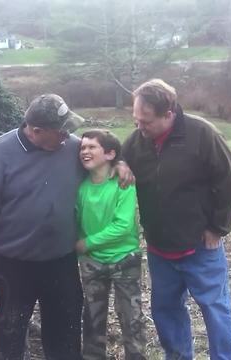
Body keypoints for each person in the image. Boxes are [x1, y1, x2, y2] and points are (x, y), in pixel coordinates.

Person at [0, 94, 133, 360]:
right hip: (9, 263)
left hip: (59, 261)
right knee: (8, 333)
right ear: (37, 130)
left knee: (65, 333)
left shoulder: (72, 149)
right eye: (61, 130)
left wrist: (119, 164)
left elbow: (101, 161)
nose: (67, 135)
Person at [122, 79, 231, 360]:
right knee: (165, 310)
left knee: (215, 309)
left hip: (200, 246)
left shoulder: (202, 134)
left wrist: (217, 228)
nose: (140, 128)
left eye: (146, 122)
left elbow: (229, 180)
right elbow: (118, 157)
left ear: (169, 113)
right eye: (136, 120)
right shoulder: (138, 141)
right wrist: (120, 163)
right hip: (160, 248)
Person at [75, 129, 146, 360]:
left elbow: (123, 225)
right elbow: (75, 220)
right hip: (92, 263)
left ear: (109, 154)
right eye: (82, 147)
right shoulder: (81, 188)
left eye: (91, 147)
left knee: (131, 317)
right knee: (93, 318)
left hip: (124, 259)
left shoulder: (123, 183)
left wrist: (86, 243)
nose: (85, 151)